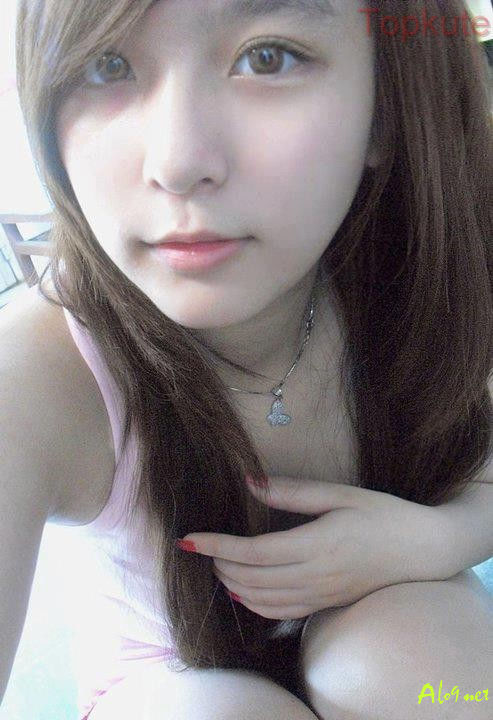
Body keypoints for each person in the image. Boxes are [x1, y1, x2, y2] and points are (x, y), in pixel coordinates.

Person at [1, 0, 492, 718]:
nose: (176, 163)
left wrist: (431, 540)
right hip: (163, 682)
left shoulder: (423, 279)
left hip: (399, 617)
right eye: (106, 65)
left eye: (268, 57)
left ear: (384, 109)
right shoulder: (38, 372)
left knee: (430, 680)